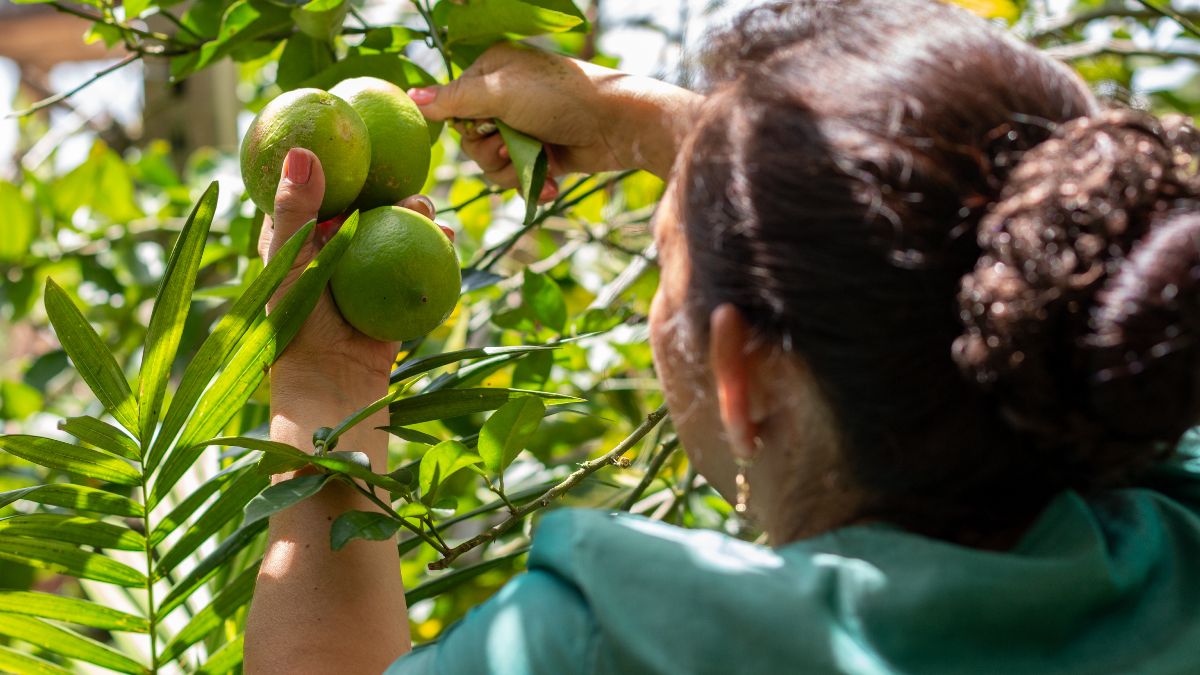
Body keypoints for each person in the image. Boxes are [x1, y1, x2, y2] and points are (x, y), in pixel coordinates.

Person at [243, 1, 1200, 672]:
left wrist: (323, 388)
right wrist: (644, 118)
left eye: (667, 262)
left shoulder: (617, 646)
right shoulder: (1174, 527)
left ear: (741, 371)